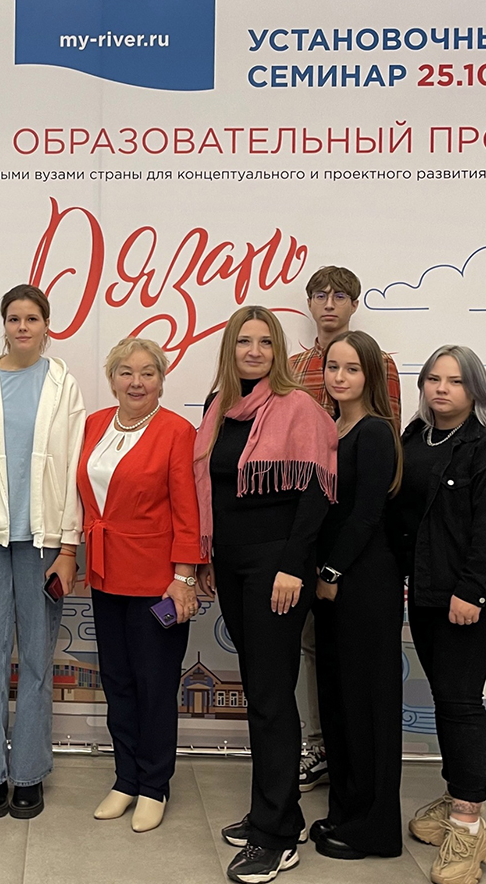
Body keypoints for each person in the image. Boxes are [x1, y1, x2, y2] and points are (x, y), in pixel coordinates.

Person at [195, 306, 337, 884]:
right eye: (243, 341)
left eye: (265, 342)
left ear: (278, 351)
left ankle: (276, 837)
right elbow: (215, 493)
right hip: (230, 564)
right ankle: (277, 812)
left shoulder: (298, 407)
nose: (253, 351)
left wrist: (292, 567)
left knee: (272, 695)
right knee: (260, 689)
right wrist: (207, 559)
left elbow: (317, 496)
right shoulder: (218, 407)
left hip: (277, 568)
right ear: (230, 348)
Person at [392, 345, 486, 884]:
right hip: (429, 593)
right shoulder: (414, 438)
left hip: (478, 597)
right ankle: (456, 800)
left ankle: (469, 827)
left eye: (454, 380)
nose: (441, 389)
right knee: (448, 698)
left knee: (460, 699)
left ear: (475, 389)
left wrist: (471, 592)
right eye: (433, 379)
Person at [0, 283, 85, 820]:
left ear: (46, 325)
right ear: (4, 324)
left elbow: (74, 467)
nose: (23, 326)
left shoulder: (63, 383)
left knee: (35, 660)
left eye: (32, 318)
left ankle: (28, 773)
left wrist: (69, 545)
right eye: (14, 318)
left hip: (44, 542)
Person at [77, 338, 205, 833]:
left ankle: (154, 785)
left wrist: (184, 578)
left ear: (161, 380)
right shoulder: (94, 425)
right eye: (126, 372)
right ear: (112, 379)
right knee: (118, 682)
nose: (136, 382)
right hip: (106, 574)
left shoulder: (176, 431)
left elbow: (188, 510)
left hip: (158, 582)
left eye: (148, 372)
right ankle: (125, 779)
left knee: (155, 685)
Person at [288, 265, 402, 795]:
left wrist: (336, 564)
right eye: (320, 294)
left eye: (340, 295)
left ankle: (345, 760)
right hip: (307, 521)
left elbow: (382, 454)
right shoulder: (293, 367)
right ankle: (323, 745)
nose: (329, 303)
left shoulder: (380, 365)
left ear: (355, 303)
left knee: (351, 659)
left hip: (354, 540)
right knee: (313, 647)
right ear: (309, 303)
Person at [310, 330, 404, 860]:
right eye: (332, 367)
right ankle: (345, 812)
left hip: (363, 584)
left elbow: (366, 515)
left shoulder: (374, 432)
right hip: (334, 587)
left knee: (368, 705)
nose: (339, 377)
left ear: (371, 375)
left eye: (351, 368)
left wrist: (331, 571)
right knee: (339, 702)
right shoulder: (331, 426)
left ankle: (375, 830)